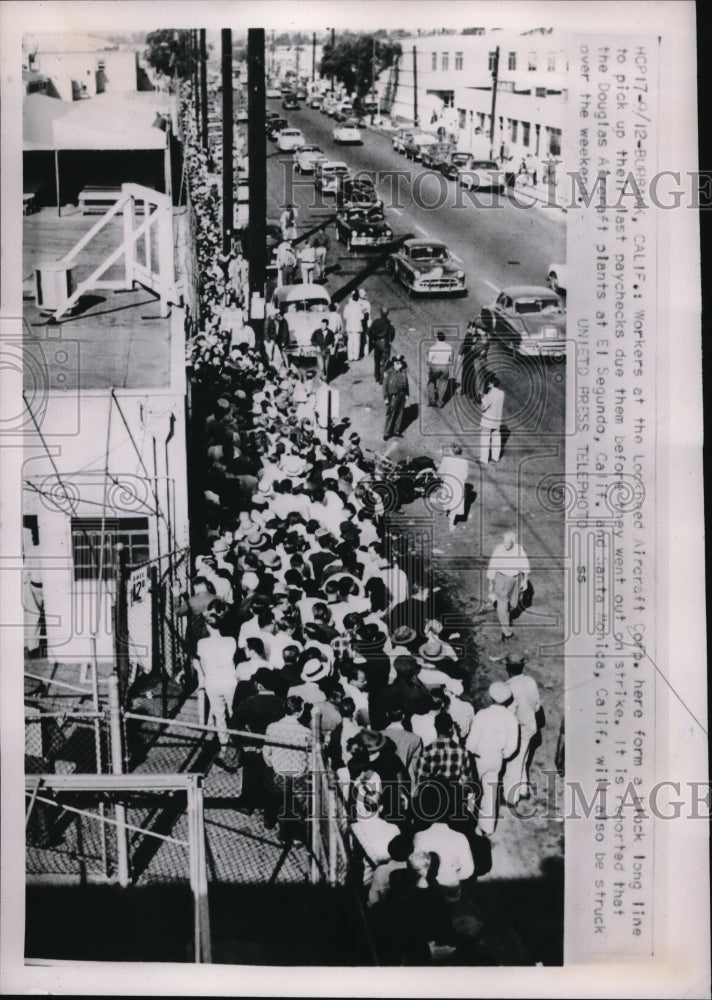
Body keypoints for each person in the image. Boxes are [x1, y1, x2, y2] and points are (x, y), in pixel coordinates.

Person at [466, 681, 520, 836]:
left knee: (472, 789)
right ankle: (487, 827)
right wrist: (503, 755)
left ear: (490, 697)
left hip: (478, 757)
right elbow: (512, 746)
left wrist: (468, 752)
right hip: (496, 758)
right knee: (491, 792)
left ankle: (469, 821)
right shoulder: (511, 718)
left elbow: (472, 740)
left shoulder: (482, 714)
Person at [262, 695, 312, 840]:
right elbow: (309, 756)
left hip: (280, 772)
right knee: (300, 806)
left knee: (282, 803)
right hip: (299, 774)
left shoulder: (272, 727)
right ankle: (297, 836)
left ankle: (284, 833)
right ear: (299, 711)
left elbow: (267, 751)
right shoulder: (306, 732)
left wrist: (271, 764)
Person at [195, 600, 237, 755]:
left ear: (207, 626)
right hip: (229, 681)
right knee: (233, 712)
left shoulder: (201, 644)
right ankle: (238, 740)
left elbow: (203, 665)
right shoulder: (231, 641)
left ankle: (224, 745)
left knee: (219, 715)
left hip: (212, 681)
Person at [502, 654, 542, 805]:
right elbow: (537, 706)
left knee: (514, 762)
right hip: (531, 726)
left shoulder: (508, 687)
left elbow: (508, 714)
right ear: (522, 667)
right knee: (523, 758)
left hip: (518, 728)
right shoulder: (530, 681)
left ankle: (511, 797)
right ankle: (523, 789)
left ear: (507, 668)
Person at [486, 530, 530, 640]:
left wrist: (525, 581)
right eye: (504, 541)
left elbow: (525, 565)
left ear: (513, 542)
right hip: (501, 578)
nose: (505, 545)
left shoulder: (519, 549)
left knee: (514, 604)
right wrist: (490, 583)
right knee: (503, 603)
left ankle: (502, 608)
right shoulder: (498, 550)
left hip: (516, 578)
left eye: (507, 543)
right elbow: (492, 567)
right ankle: (506, 631)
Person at [436, 443, 470, 531]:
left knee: (447, 499)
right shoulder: (465, 461)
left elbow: (440, 472)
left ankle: (447, 510)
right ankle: (451, 524)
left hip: (448, 484)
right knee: (456, 504)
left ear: (451, 452)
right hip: (458, 485)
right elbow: (465, 476)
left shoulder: (446, 459)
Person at [457, 321, 489, 403]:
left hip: (476, 359)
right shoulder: (469, 333)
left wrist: (474, 348)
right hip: (468, 356)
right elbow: (464, 344)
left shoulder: (483, 338)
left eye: (475, 328)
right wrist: (460, 354)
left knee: (474, 377)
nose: (474, 329)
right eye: (473, 328)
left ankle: (474, 396)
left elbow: (479, 349)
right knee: (465, 372)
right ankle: (464, 389)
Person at [479, 373, 505, 464]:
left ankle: (484, 458)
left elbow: (482, 407)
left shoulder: (490, 394)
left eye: (489, 382)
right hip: (497, 420)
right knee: (496, 438)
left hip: (488, 421)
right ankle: (495, 457)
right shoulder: (501, 393)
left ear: (491, 384)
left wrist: (482, 396)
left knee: (485, 439)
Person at [382, 355, 409, 441]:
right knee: (390, 415)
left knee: (399, 414)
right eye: (398, 363)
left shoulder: (403, 371)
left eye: (400, 363)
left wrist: (407, 393)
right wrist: (386, 398)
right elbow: (384, 387)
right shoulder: (388, 373)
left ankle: (396, 431)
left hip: (402, 395)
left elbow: (406, 383)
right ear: (394, 364)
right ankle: (386, 433)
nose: (400, 365)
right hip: (393, 397)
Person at [368, 308, 396, 385]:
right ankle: (382, 378)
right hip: (385, 343)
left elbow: (369, 331)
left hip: (377, 343)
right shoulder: (389, 322)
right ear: (387, 314)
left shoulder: (376, 321)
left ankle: (377, 376)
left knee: (376, 361)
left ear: (380, 313)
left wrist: (373, 339)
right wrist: (390, 340)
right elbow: (393, 332)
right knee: (385, 361)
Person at [426, 331, 454, 408]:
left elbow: (429, 361)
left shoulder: (433, 348)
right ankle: (440, 402)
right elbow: (451, 360)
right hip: (445, 367)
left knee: (431, 382)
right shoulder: (449, 347)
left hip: (435, 367)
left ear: (437, 338)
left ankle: (432, 401)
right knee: (443, 384)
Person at [343, 290, 365, 363]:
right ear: (357, 298)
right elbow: (361, 317)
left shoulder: (347, 306)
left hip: (349, 326)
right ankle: (356, 357)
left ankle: (350, 356)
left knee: (350, 342)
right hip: (356, 327)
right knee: (356, 342)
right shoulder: (358, 306)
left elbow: (345, 316)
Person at [311, 318, 335, 383]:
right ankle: (321, 381)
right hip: (319, 352)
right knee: (321, 367)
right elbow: (312, 340)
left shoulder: (331, 333)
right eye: (321, 325)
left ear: (327, 325)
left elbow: (333, 341)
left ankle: (325, 381)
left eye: (324, 325)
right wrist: (316, 345)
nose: (322, 327)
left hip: (327, 352)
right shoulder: (316, 332)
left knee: (326, 367)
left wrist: (331, 345)